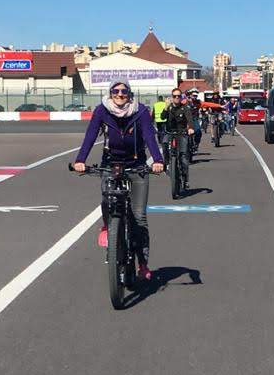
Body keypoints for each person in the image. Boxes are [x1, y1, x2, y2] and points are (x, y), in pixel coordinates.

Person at [74, 81, 164, 280]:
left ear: (129, 94)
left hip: (136, 165)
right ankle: (109, 226)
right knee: (108, 201)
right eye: (116, 91)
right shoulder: (101, 111)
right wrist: (80, 160)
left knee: (139, 216)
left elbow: (149, 136)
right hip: (110, 164)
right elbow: (90, 135)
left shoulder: (140, 111)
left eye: (124, 91)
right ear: (110, 93)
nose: (120, 94)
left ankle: (143, 264)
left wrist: (157, 160)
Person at [160, 87, 196, 181]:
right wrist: (166, 107)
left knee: (183, 156)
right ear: (172, 97)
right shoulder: (169, 107)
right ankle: (167, 164)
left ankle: (185, 177)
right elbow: (162, 117)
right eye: (174, 96)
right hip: (170, 132)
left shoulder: (185, 108)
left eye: (178, 96)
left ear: (181, 97)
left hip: (181, 132)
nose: (176, 98)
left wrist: (191, 128)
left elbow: (189, 119)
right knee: (164, 143)